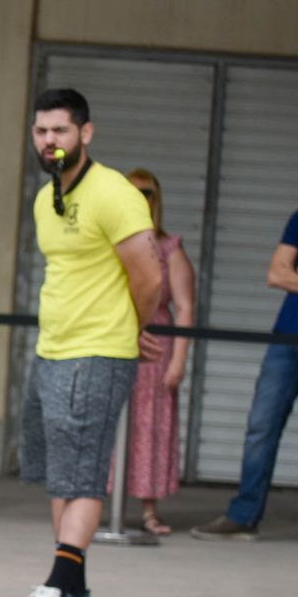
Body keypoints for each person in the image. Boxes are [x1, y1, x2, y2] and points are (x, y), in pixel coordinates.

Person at [6, 88, 163, 597]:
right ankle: (74, 591)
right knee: (60, 475)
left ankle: (57, 583)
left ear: (85, 134)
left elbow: (150, 276)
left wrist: (134, 328)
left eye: (61, 131)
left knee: (84, 475)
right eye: (42, 131)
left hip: (97, 351)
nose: (50, 141)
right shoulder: (46, 196)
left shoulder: (114, 193)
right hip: (52, 349)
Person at [191, 206, 298, 541]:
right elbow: (276, 273)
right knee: (261, 426)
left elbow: (288, 274)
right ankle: (244, 516)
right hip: (287, 338)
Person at [120, 169, 195, 535]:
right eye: (132, 192)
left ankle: (150, 510)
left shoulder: (170, 248)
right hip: (115, 340)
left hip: (155, 348)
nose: (140, 199)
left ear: (157, 198)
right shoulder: (113, 244)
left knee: (152, 427)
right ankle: (102, 502)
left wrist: (179, 359)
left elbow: (186, 306)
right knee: (112, 421)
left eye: (147, 193)